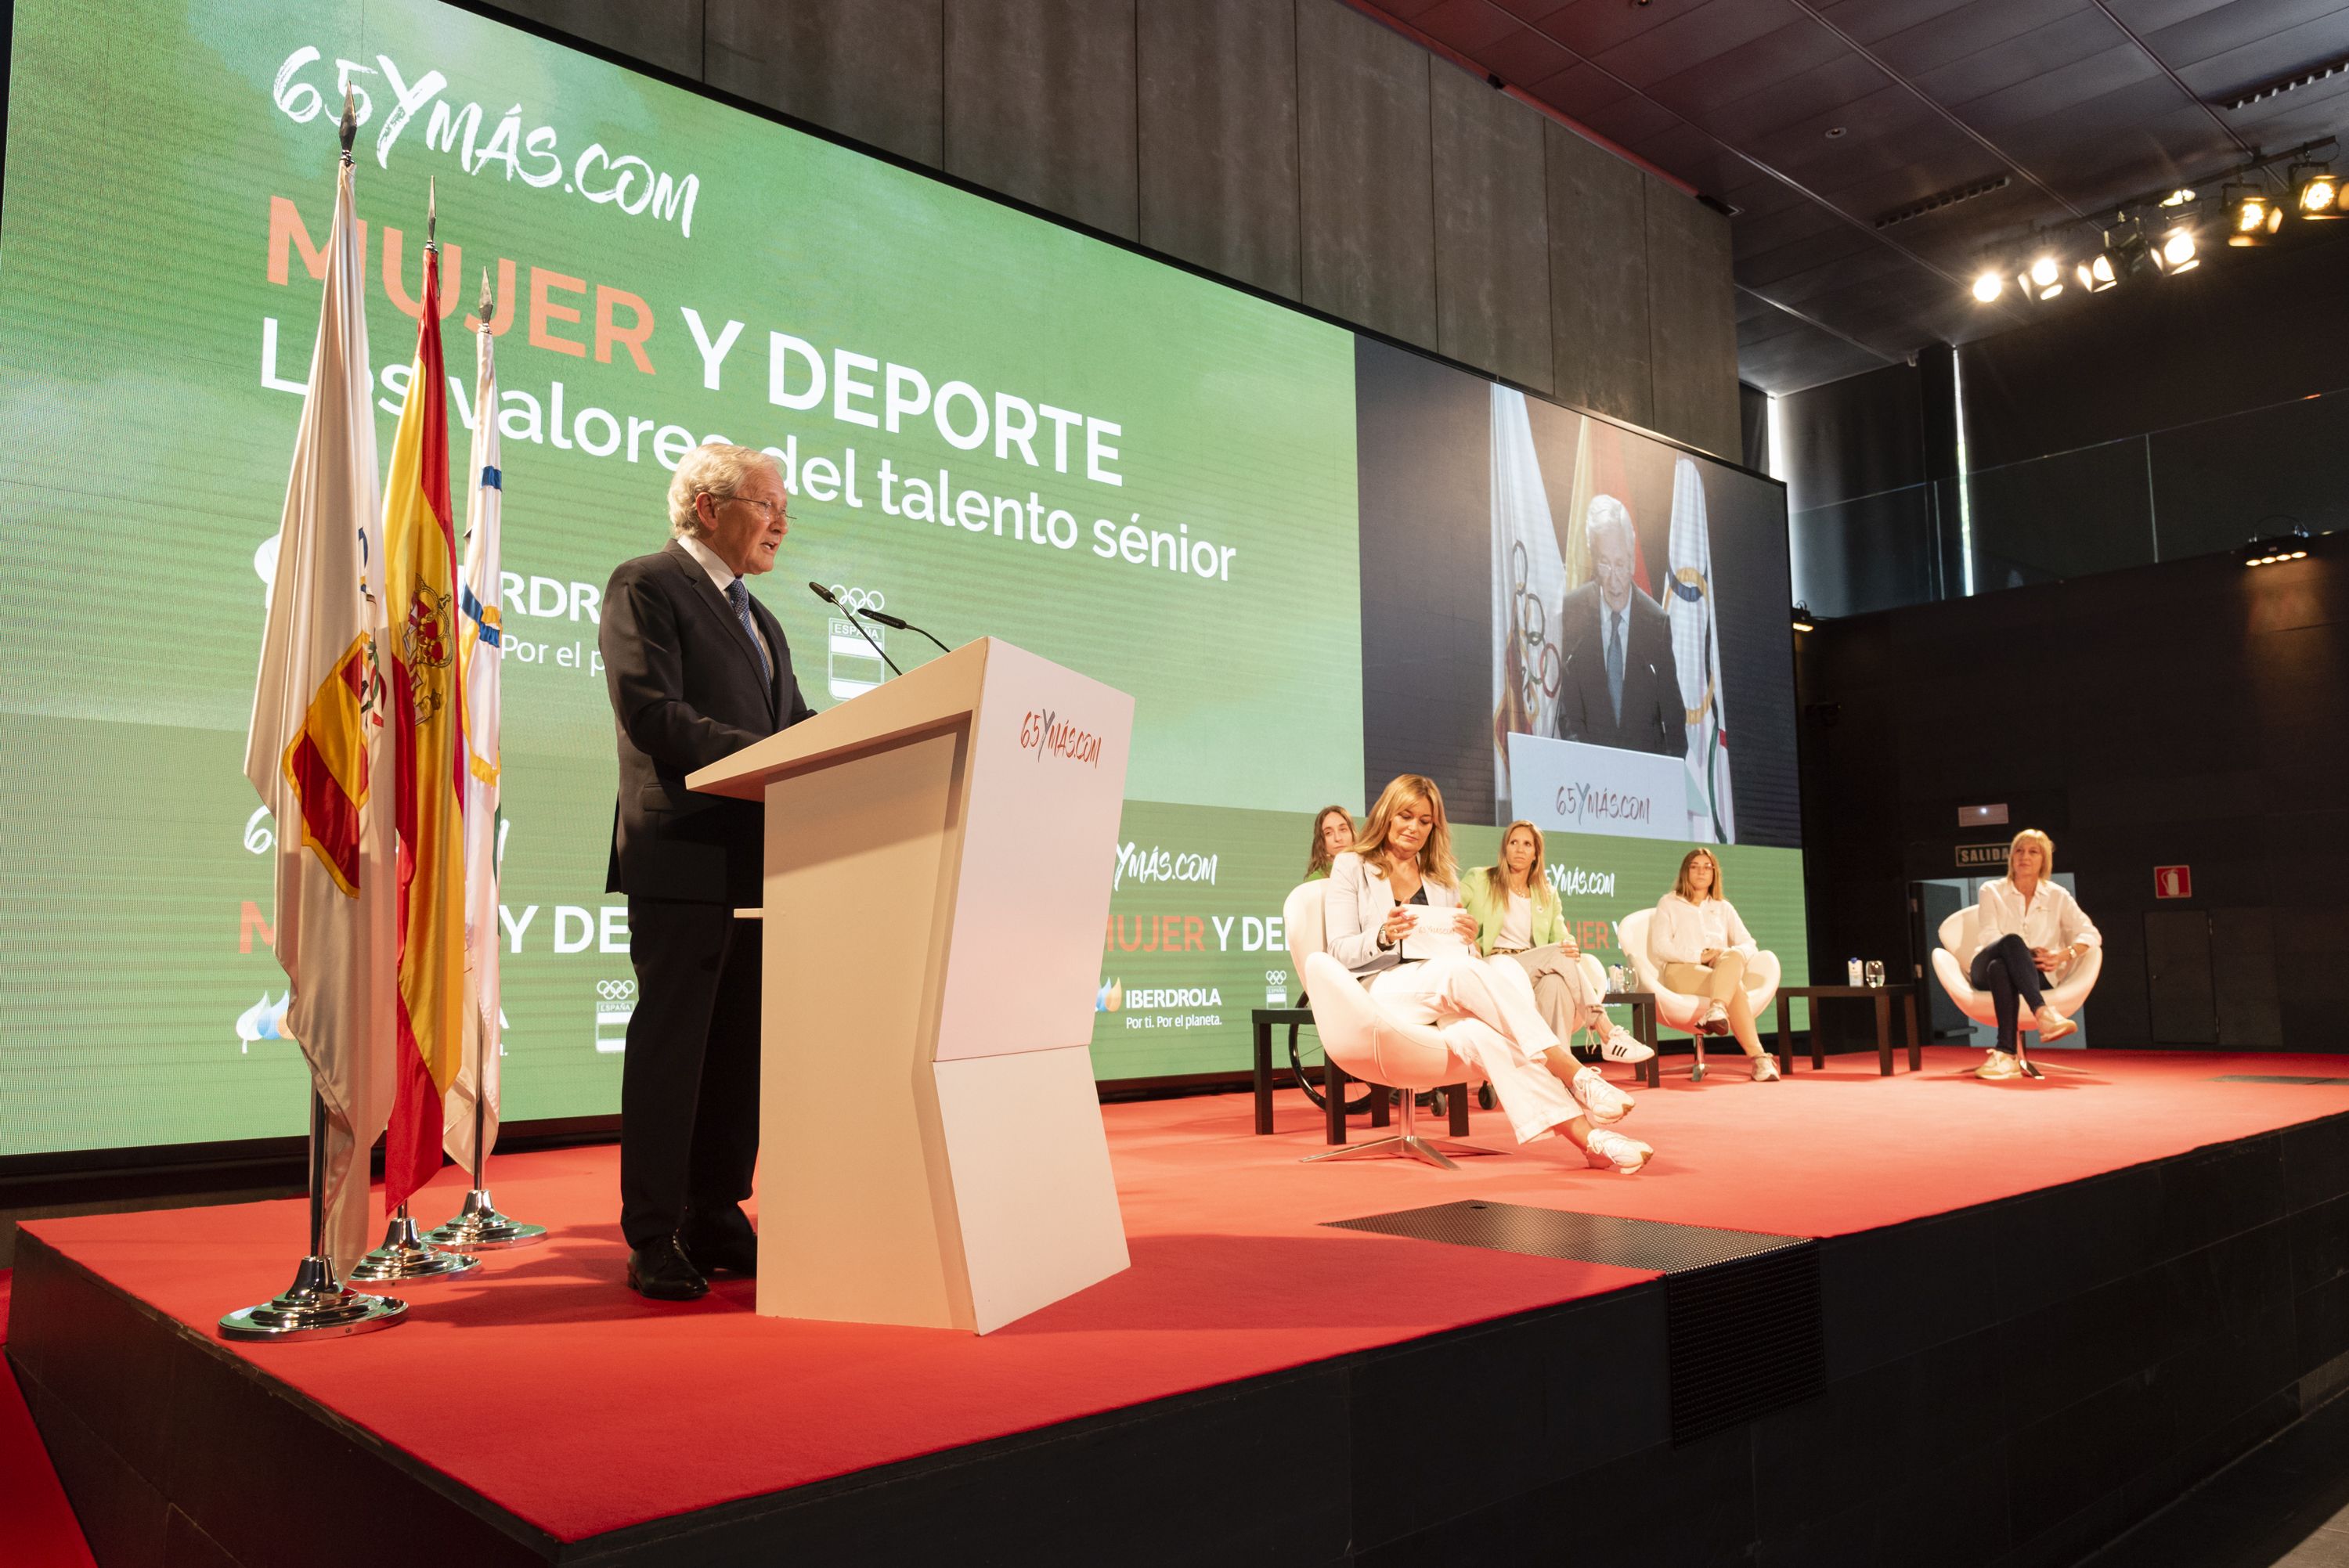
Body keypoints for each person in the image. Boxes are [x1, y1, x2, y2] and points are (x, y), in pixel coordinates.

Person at [600, 443, 814, 1300]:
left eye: (783, 507)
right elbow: (653, 713)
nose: (781, 522)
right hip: (683, 855)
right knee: (675, 1050)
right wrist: (773, 755)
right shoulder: (647, 584)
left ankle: (716, 1208)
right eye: (767, 504)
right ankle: (653, 1231)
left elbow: (797, 725)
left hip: (762, 861)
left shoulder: (765, 621)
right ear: (706, 507)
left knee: (738, 1050)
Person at [1323, 775, 1654, 1173]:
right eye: (1405, 816)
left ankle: (1591, 1142)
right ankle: (1576, 1074)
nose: (1414, 828)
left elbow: (1459, 954)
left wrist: (1467, 940)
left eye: (1425, 821)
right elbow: (1337, 950)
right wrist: (1383, 934)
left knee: (1483, 1034)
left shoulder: (1441, 876)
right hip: (1381, 991)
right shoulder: (1353, 865)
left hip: (1441, 988)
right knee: (1460, 972)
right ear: (1387, 815)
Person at [1460, 820, 1652, 1066]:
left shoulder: (1546, 893)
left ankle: (1558, 1072)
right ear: (1505, 847)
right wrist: (1467, 939)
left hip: (1533, 966)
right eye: (1513, 842)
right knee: (1558, 955)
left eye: (1527, 844)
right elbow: (1452, 902)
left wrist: (1570, 946)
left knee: (1556, 984)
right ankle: (1605, 1030)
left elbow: (1561, 936)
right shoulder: (1481, 878)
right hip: (1497, 964)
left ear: (1536, 854)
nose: (1519, 849)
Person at [1554, 496, 1686, 757]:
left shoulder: (1657, 624)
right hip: (1589, 772)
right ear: (1595, 562)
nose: (1613, 579)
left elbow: (1674, 723)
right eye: (1605, 563)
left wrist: (1660, 774)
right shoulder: (1572, 611)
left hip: (1643, 778)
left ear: (1632, 562)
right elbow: (1568, 711)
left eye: (1620, 564)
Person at [1968, 829, 2095, 1080]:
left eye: (2033, 852)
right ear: (2011, 857)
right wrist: (2023, 952)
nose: (2024, 856)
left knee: (2000, 968)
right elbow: (1989, 935)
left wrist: (2062, 955)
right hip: (1983, 968)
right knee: (2010, 943)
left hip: (2034, 973)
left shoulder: (2058, 895)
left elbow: (2091, 934)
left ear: (2044, 860)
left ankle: (2006, 1055)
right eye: (2019, 850)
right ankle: (2043, 1013)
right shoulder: (1991, 889)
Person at [1649, 848, 1779, 1082]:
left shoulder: (1723, 907)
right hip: (1681, 970)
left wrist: (1723, 954)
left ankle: (1718, 1008)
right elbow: (1661, 947)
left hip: (1719, 971)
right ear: (1686, 872)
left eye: (1707, 867)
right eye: (1695, 866)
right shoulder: (1669, 903)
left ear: (1714, 873)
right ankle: (1759, 1058)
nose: (1701, 872)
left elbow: (1749, 944)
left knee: (1734, 956)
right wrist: (1699, 956)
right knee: (1735, 987)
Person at [1302, 806, 1355, 881]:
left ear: (1352, 834)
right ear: (1321, 842)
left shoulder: (1367, 871)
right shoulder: (1315, 881)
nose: (1338, 838)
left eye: (1343, 829)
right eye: (1329, 833)